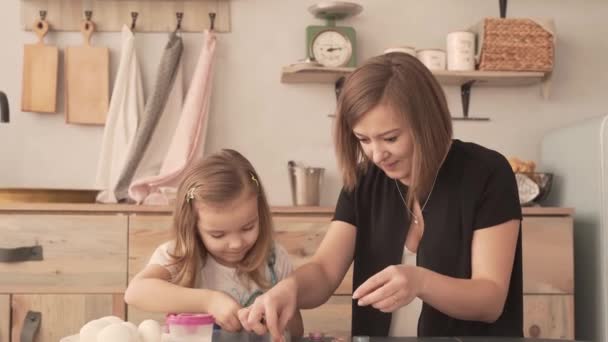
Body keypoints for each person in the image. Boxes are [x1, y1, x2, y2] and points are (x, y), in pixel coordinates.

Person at [238, 53, 522, 340]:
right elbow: (324, 271)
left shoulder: (486, 173)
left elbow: (490, 299)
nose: (376, 154)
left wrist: (419, 281)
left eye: (390, 138)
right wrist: (291, 288)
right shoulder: (364, 181)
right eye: (363, 139)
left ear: (428, 123)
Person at [124, 149, 304, 336]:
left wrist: (274, 319)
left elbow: (297, 330)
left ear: (260, 214)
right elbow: (136, 292)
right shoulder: (180, 255)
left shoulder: (274, 260)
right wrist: (209, 301)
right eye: (218, 235)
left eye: (248, 228)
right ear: (194, 226)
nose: (236, 243)